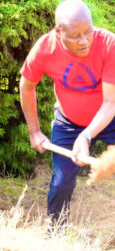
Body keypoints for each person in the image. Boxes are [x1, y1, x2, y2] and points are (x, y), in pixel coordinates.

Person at [19, 0, 115, 226]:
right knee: (61, 183)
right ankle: (55, 234)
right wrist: (34, 132)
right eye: (75, 36)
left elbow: (110, 102)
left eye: (88, 32)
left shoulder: (109, 44)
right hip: (69, 121)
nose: (84, 41)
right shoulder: (45, 48)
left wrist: (86, 136)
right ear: (58, 32)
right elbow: (26, 86)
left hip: (109, 118)